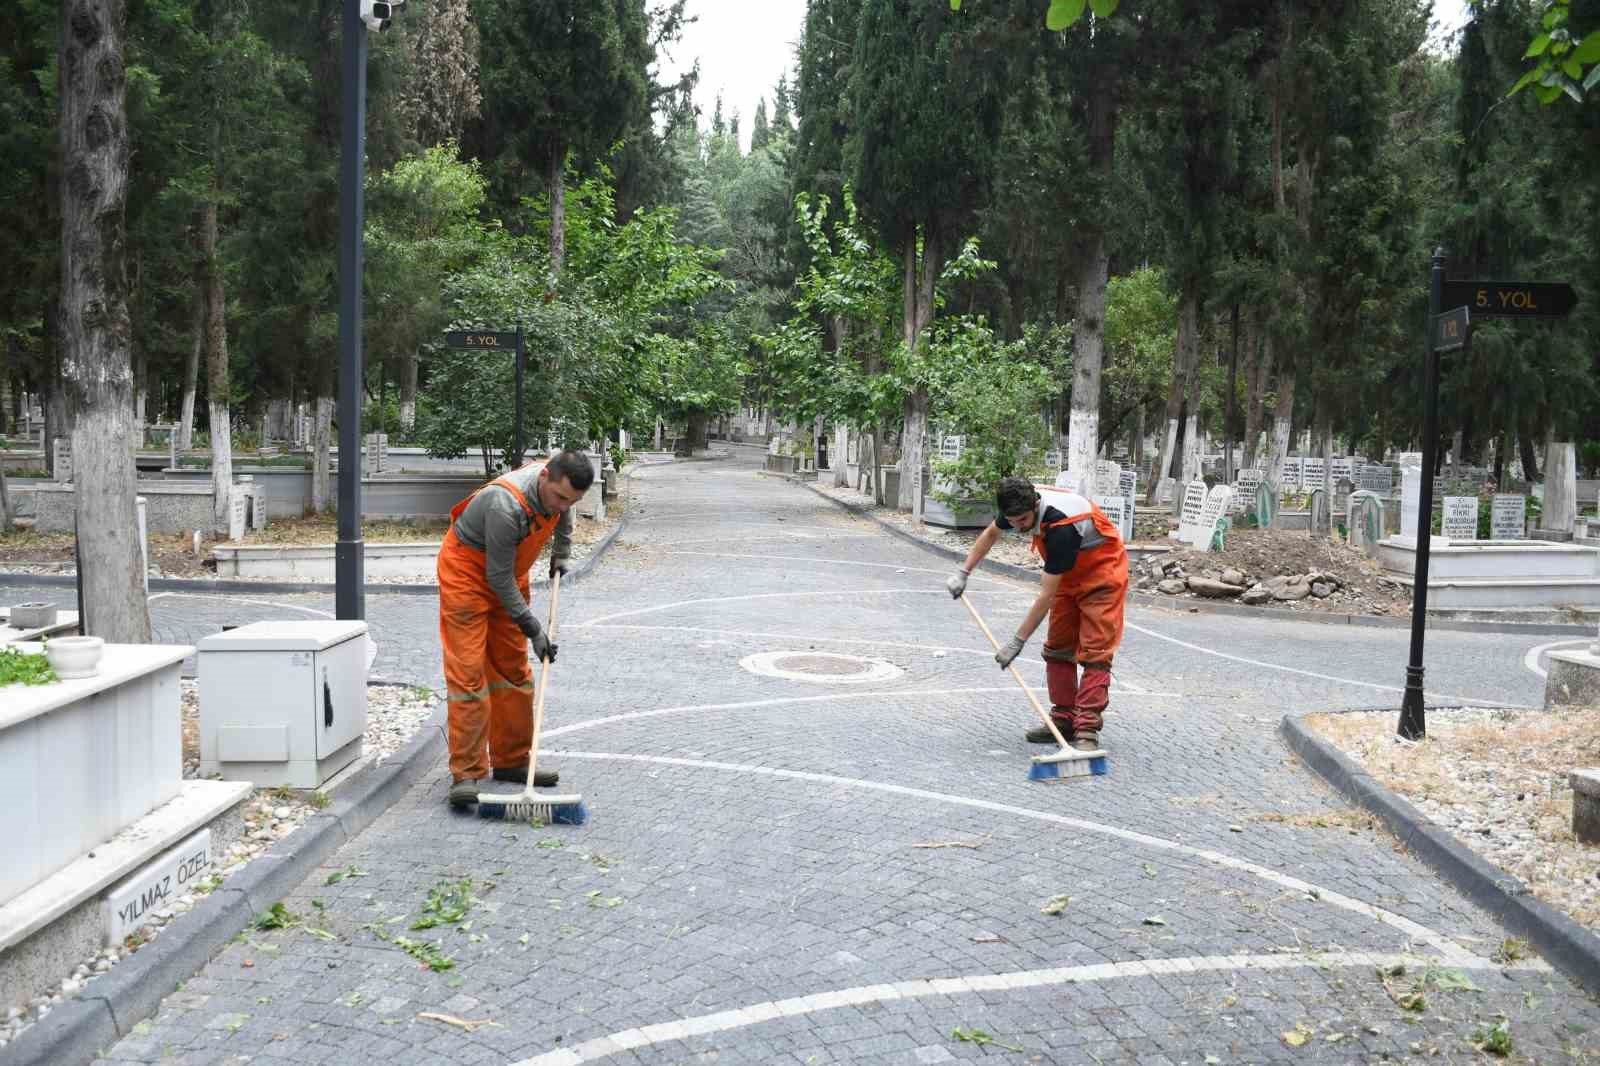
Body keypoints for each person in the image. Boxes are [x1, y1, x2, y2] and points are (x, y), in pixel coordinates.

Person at [437, 450, 594, 807]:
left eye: (572, 500)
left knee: (513, 671)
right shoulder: (504, 505)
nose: (561, 506)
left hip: (510, 575)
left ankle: (512, 762)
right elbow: (497, 577)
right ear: (544, 479)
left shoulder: (559, 492)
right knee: (468, 675)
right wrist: (534, 628)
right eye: (559, 497)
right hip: (468, 577)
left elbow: (563, 515)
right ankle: (466, 773)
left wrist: (562, 552)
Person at [945, 475, 1129, 751]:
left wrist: (1017, 642)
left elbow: (1046, 596)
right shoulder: (1017, 506)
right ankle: (1063, 721)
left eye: (1022, 521)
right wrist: (963, 572)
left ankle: (1087, 730)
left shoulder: (1060, 527)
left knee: (1095, 652)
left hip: (1103, 574)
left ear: (1036, 505)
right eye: (1013, 520)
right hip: (1069, 575)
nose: (1017, 527)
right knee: (1057, 649)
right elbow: (991, 533)